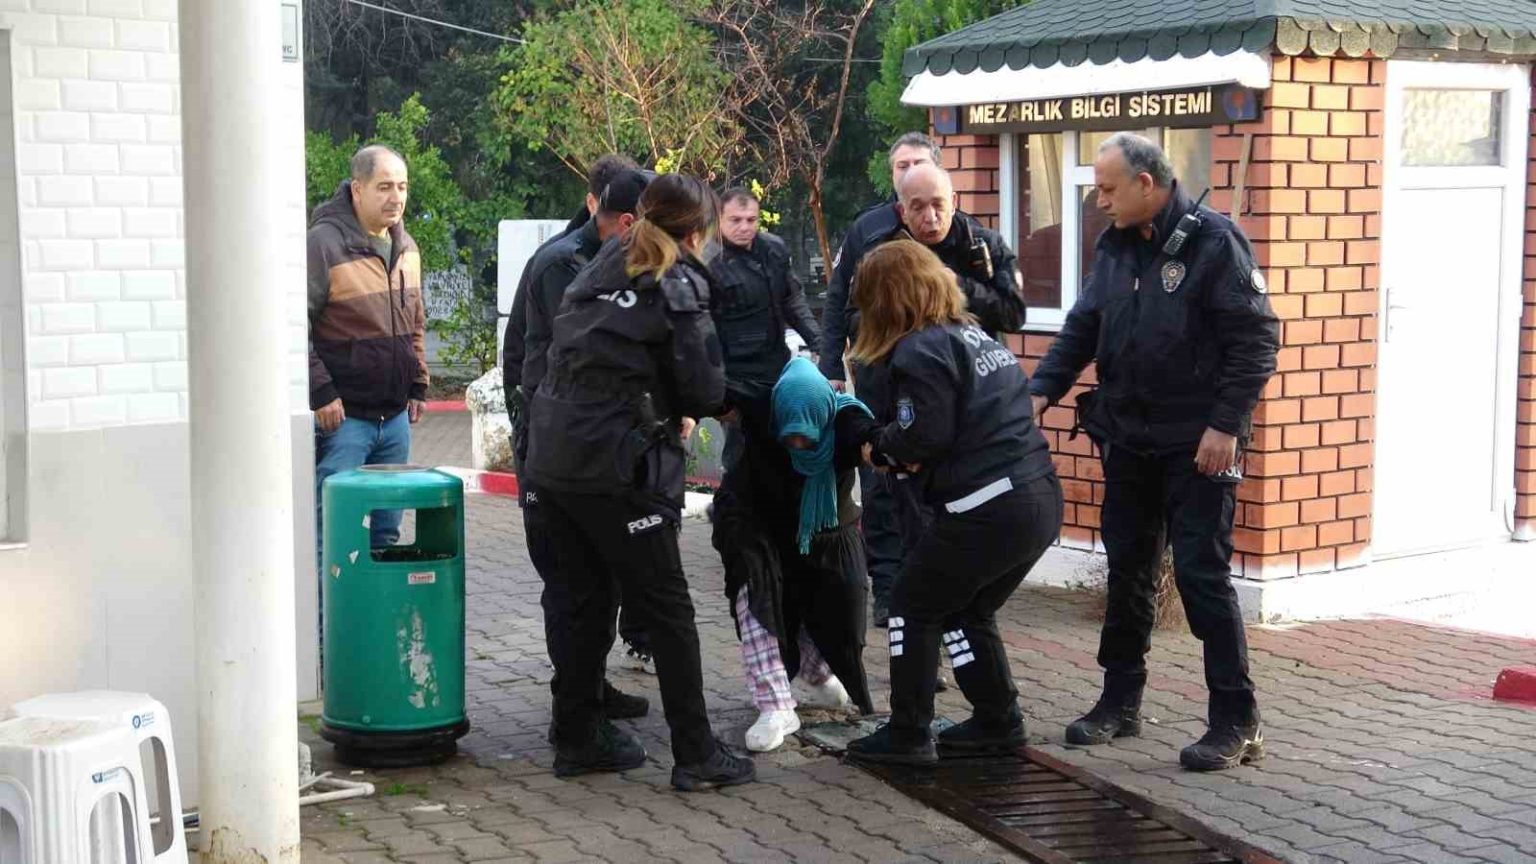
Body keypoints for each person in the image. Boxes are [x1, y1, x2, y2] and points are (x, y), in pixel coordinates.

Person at [1028, 132, 1279, 772]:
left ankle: (1236, 719)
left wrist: (1225, 425)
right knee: (1129, 571)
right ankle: (1120, 702)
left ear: (1147, 183)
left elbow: (1256, 340)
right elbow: (1083, 326)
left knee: (1200, 575)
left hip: (1198, 445)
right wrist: (1040, 392)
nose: (1100, 201)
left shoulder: (1214, 243)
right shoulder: (1113, 246)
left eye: (1108, 189)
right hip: (1129, 437)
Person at [522, 173, 756, 791]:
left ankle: (577, 737)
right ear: (697, 233)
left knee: (581, 600)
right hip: (618, 465)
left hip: (552, 456)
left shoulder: (599, 266)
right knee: (667, 607)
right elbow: (704, 385)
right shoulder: (676, 281)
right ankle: (697, 753)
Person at [841, 240, 1061, 765]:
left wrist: (876, 446)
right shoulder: (973, 334)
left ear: (886, 298)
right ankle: (997, 720)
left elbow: (923, 437)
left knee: (912, 605)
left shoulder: (918, 351)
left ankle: (908, 732)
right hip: (1035, 498)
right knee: (967, 608)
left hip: (987, 508)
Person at [509, 165, 655, 723]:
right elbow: (572, 359)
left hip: (587, 444)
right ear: (626, 221)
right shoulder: (564, 266)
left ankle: (590, 687)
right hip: (555, 444)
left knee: (601, 578)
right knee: (570, 583)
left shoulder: (601, 259)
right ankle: (575, 713)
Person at [710, 357, 875, 752]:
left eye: (808, 437)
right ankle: (775, 706)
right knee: (757, 597)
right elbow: (706, 389)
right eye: (790, 436)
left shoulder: (847, 422)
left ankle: (816, 669)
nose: (798, 445)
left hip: (827, 524)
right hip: (755, 520)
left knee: (841, 604)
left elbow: (887, 446)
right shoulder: (761, 404)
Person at [817, 132, 947, 626]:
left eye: (917, 162)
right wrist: (831, 365)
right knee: (879, 484)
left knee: (930, 483)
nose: (907, 171)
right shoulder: (868, 227)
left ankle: (929, 585)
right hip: (876, 375)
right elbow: (837, 298)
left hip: (932, 382)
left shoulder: (952, 230)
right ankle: (888, 589)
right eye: (900, 165)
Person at [309, 144, 427, 559]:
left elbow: (415, 321)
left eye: (402, 186)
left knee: (386, 537)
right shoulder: (323, 245)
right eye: (384, 187)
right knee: (334, 536)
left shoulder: (407, 248)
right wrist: (321, 392)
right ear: (357, 190)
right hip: (344, 422)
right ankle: (327, 607)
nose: (396, 197)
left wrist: (418, 383)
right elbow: (295, 328)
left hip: (394, 422)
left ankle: (379, 606)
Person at [712, 187, 822, 472]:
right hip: (735, 379)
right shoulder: (709, 261)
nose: (744, 227)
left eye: (751, 220)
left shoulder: (773, 249)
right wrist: (719, 401)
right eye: (735, 220)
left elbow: (792, 300)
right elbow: (701, 333)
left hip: (776, 367)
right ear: (719, 219)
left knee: (780, 455)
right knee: (740, 460)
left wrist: (819, 342)